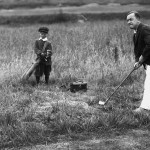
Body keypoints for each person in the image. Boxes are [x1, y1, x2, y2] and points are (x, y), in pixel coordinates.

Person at [126, 11, 150, 113]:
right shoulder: (135, 33)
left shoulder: (144, 29)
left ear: (138, 19)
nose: (129, 22)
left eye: (131, 19)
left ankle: (144, 108)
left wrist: (142, 57)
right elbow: (138, 50)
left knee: (148, 85)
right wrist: (138, 61)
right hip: (147, 63)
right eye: (127, 20)